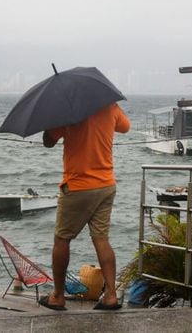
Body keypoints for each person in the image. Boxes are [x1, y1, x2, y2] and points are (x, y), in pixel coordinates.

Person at [39, 102, 130, 311]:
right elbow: (125, 127)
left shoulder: (68, 110)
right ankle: (111, 296)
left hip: (78, 186)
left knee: (61, 239)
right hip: (106, 184)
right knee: (101, 238)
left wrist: (52, 120)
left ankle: (58, 296)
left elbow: (48, 142)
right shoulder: (110, 106)